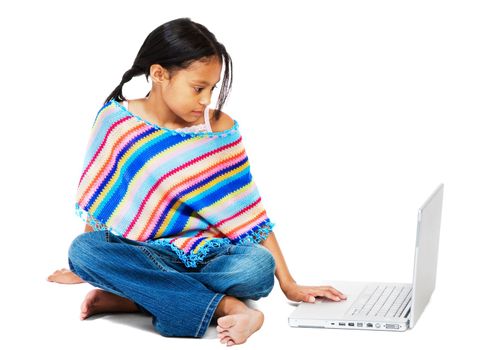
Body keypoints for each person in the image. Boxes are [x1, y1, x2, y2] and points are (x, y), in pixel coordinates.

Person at [48, 17, 346, 347]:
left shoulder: (218, 129)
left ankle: (135, 298)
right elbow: (103, 199)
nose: (206, 100)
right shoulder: (116, 122)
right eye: (197, 88)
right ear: (160, 74)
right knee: (84, 251)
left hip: (208, 254)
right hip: (142, 249)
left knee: (257, 268)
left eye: (212, 89)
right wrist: (88, 268)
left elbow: (249, 214)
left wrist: (289, 283)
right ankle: (228, 307)